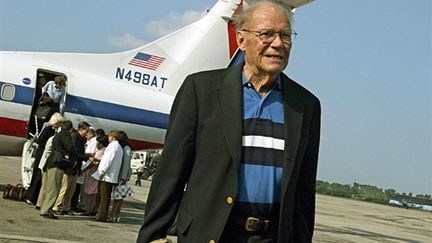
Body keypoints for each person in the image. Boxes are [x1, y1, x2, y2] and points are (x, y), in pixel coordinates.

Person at [137, 1, 321, 242]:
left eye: (285, 35)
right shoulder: (201, 91)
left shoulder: (305, 106)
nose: (277, 43)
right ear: (241, 40)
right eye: (266, 34)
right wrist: (153, 235)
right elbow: (171, 173)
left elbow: (303, 193)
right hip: (210, 234)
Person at [24, 112, 63, 205]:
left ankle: (36, 197)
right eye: (59, 122)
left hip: (47, 156)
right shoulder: (48, 129)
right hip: (41, 155)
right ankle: (30, 196)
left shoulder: (56, 131)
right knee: (36, 176)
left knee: (42, 178)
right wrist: (47, 146)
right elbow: (39, 140)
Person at [39, 120, 75, 219]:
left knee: (50, 187)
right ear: (70, 128)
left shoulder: (57, 135)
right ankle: (46, 210)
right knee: (54, 188)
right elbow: (70, 147)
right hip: (57, 163)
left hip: (50, 162)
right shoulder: (65, 135)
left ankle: (46, 208)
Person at [92, 130, 124, 222]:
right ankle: (102, 215)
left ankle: (101, 216)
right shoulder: (119, 147)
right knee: (105, 196)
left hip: (107, 176)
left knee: (104, 197)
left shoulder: (112, 147)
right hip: (111, 175)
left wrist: (101, 172)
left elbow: (107, 161)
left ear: (112, 137)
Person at [110, 130, 133, 223]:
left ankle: (114, 214)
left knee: (118, 197)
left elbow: (126, 164)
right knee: (120, 196)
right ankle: (116, 215)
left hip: (121, 176)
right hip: (121, 175)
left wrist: (123, 177)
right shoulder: (124, 147)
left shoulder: (126, 148)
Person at [84, 135, 109, 216]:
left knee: (92, 193)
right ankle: (92, 208)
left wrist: (85, 168)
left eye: (98, 143)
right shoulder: (105, 150)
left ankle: (90, 209)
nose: (96, 145)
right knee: (94, 192)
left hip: (94, 174)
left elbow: (94, 162)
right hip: (95, 174)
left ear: (101, 144)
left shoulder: (101, 151)